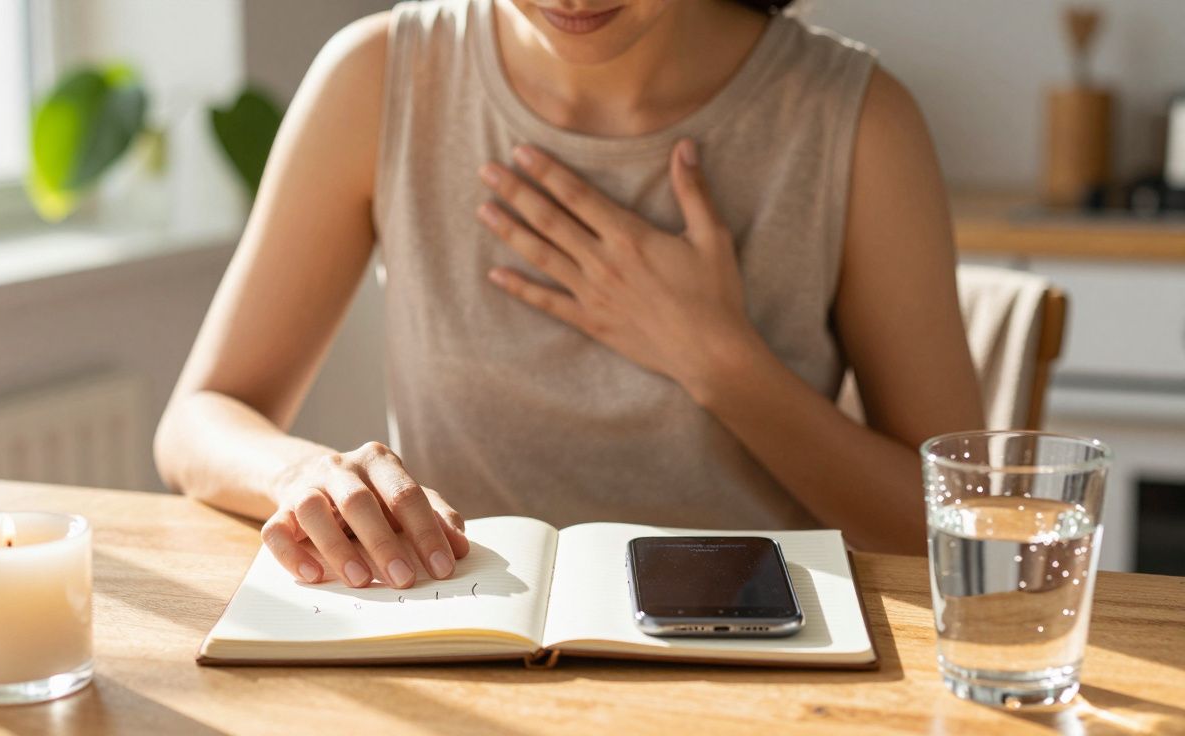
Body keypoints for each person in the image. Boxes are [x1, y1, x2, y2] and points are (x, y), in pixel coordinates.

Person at [154, 0, 983, 590]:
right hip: (458, 642)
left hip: (751, 660)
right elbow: (200, 417)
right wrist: (303, 472)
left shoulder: (859, 120)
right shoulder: (377, 79)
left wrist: (721, 364)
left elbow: (958, 525)